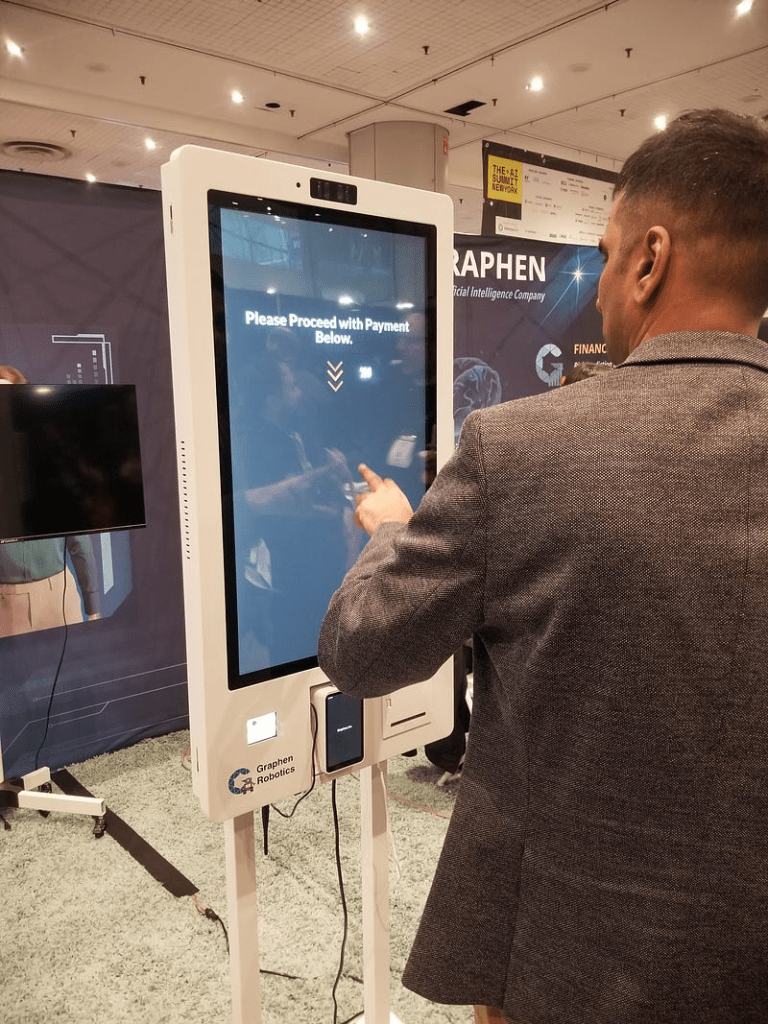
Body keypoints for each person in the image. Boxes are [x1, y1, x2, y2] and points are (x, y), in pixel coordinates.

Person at [319, 109, 768, 1023]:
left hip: (562, 958)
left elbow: (361, 654)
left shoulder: (520, 449)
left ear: (649, 258)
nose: (600, 289)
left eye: (604, 257)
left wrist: (387, 532)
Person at [0, 364, 101, 636]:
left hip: (58, 594)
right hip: (5, 604)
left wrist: (92, 606)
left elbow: (80, 539)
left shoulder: (51, 459)